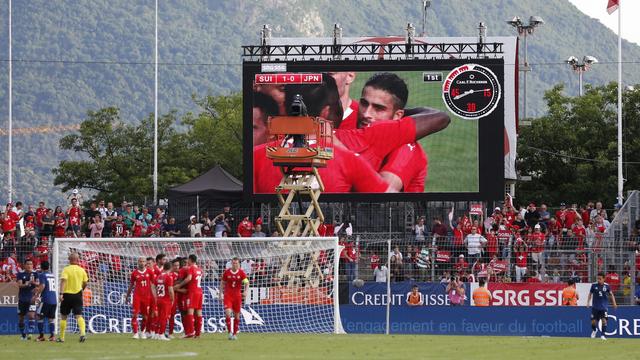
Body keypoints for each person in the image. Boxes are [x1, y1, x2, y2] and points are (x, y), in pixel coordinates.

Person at [58, 252, 89, 343]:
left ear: (69, 260)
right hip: (77, 295)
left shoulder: (66, 269)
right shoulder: (82, 270)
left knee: (64, 316)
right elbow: (85, 282)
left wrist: (61, 294)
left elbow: (63, 281)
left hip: (67, 295)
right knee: (78, 315)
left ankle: (62, 337)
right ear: (77, 260)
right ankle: (82, 333)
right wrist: (81, 289)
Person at [125, 257, 155, 339]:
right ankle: (135, 333)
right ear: (138, 262)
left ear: (145, 263)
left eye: (143, 261)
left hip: (147, 297)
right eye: (140, 261)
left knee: (145, 316)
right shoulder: (134, 273)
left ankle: (142, 332)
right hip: (137, 296)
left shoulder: (150, 272)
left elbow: (153, 285)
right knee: (135, 314)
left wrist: (154, 296)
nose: (142, 263)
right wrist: (127, 296)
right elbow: (131, 285)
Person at [220, 257, 249, 340]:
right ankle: (229, 332)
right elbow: (222, 283)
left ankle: (235, 333)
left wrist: (246, 291)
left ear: (239, 264)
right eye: (233, 263)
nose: (235, 265)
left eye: (236, 263)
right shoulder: (227, 272)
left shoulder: (241, 273)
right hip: (228, 296)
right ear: (231, 263)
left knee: (237, 315)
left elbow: (247, 283)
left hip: (237, 297)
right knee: (228, 313)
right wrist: (220, 294)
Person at [176, 254, 204, 338]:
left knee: (190, 312)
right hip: (199, 291)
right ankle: (198, 334)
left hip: (193, 292)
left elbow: (188, 278)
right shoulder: (199, 269)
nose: (187, 261)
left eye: (188, 260)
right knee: (199, 312)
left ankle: (190, 332)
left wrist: (179, 285)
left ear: (190, 260)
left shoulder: (191, 268)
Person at [587, 272, 618, 340]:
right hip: (595, 307)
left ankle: (603, 335)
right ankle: (595, 330)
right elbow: (590, 294)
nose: (598, 280)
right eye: (598, 278)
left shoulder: (607, 286)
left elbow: (611, 294)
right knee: (593, 322)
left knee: (604, 321)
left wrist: (614, 303)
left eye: (600, 279)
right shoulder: (594, 285)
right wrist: (588, 302)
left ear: (604, 279)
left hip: (603, 307)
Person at [34, 261, 57, 341]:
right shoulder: (52, 275)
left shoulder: (42, 275)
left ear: (41, 267)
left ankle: (41, 336)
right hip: (54, 300)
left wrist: (36, 295)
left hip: (46, 299)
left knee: (39, 316)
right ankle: (52, 336)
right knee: (51, 318)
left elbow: (43, 285)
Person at [16, 259, 37, 340]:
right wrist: (27, 283)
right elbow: (20, 285)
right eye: (27, 264)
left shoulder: (35, 274)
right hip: (22, 299)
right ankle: (23, 334)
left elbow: (38, 285)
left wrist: (34, 283)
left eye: (31, 264)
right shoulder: (20, 274)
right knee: (21, 318)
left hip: (31, 299)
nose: (29, 266)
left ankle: (30, 333)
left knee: (31, 316)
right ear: (24, 265)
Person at [153, 262, 174, 341]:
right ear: (170, 268)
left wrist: (156, 296)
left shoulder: (158, 276)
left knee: (159, 318)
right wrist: (172, 299)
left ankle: (156, 333)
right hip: (166, 300)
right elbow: (170, 290)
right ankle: (161, 334)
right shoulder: (169, 277)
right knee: (164, 318)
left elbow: (153, 287)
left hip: (159, 299)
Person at [167, 258, 181, 338]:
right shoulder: (170, 275)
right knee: (168, 315)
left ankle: (170, 332)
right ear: (172, 266)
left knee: (172, 315)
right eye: (175, 265)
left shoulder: (180, 274)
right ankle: (163, 332)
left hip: (177, 297)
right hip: (169, 297)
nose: (176, 267)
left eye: (178, 265)